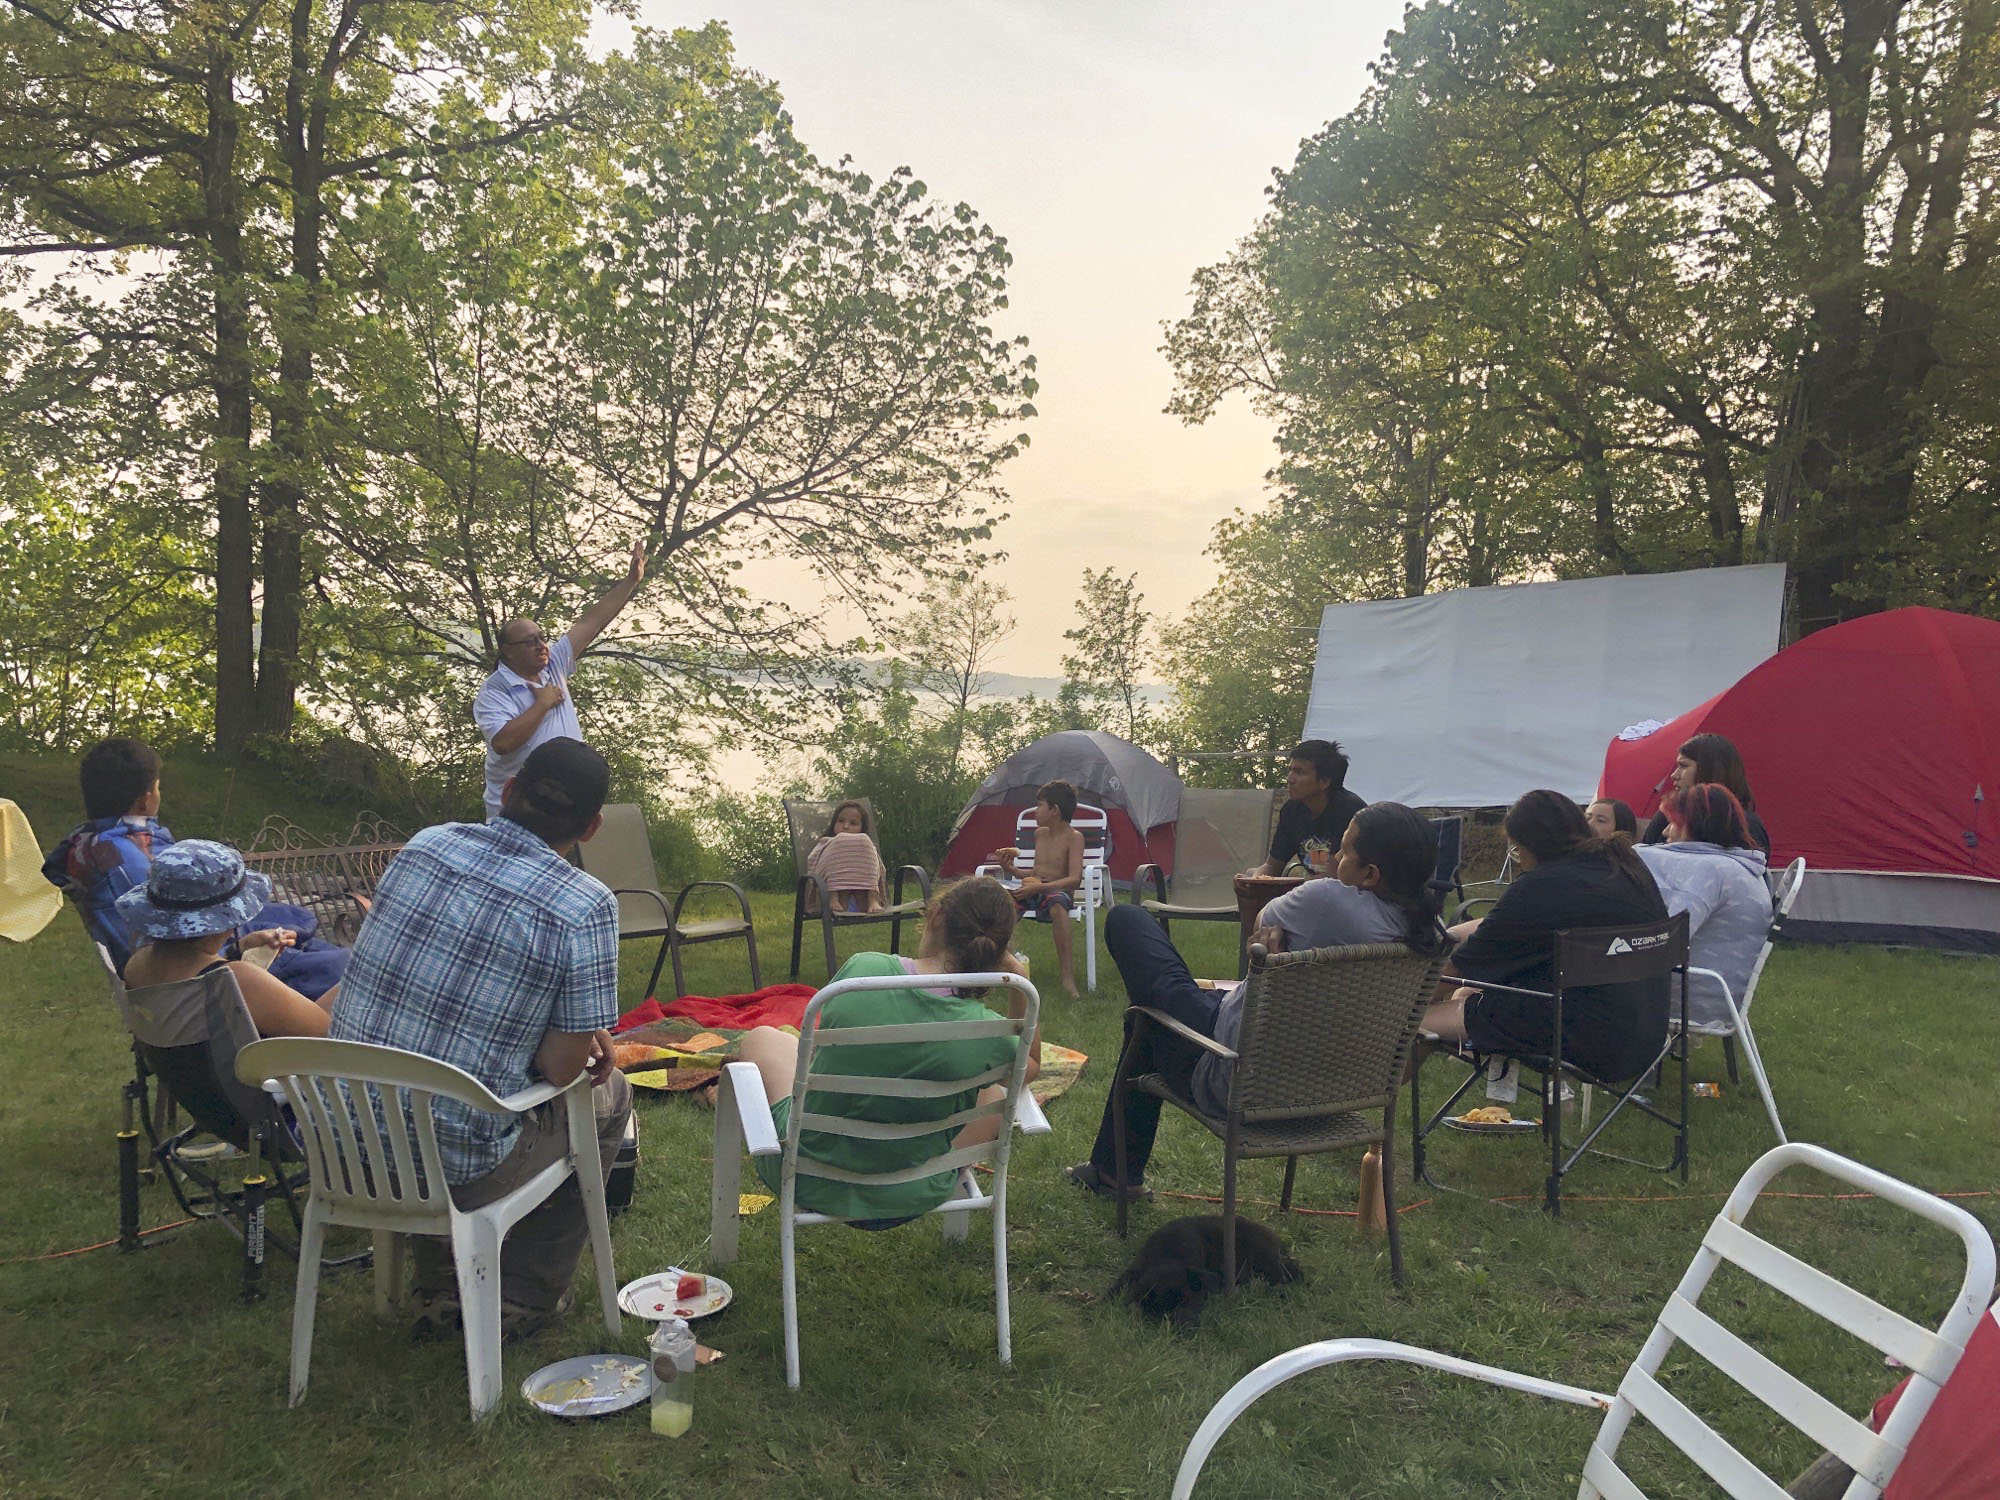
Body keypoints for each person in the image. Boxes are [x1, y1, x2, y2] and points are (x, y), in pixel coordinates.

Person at [330, 736, 632, 1341]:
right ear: (593, 827)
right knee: (610, 1096)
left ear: (511, 788)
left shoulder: (425, 846)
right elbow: (559, 1065)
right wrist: (572, 1035)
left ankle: (439, 1279)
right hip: (455, 1166)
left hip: (340, 1140)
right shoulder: (582, 902)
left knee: (438, 1087)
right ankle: (523, 1295)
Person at [1070, 803, 1451, 1201]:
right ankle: (1113, 1175)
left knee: (1128, 926)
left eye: (1343, 852)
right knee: (1154, 1015)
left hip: (1234, 1076)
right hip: (1334, 1095)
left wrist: (1263, 939)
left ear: (1370, 874)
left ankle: (1114, 1177)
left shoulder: (1328, 901)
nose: (1333, 858)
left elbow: (1259, 924)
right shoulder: (1430, 933)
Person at [734, 876, 1039, 1225]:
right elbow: (1029, 1066)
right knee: (994, 1088)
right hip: (914, 1190)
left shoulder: (863, 971)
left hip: (807, 1178)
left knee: (762, 1038)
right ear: (995, 953)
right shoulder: (986, 1033)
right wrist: (1019, 981)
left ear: (936, 915)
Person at [41, 737, 348, 996]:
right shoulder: (126, 859)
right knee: (341, 965)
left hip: (202, 961)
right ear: (146, 801)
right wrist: (236, 947)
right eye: (158, 787)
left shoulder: (91, 845)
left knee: (300, 928)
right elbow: (182, 938)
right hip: (207, 977)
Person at [1421, 790, 1670, 1083]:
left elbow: (1452, 973)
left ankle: (1375, 1109)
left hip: (1585, 1039)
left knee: (1414, 1023)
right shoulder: (1623, 867)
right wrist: (1448, 935)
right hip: (1646, 1036)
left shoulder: (1541, 886)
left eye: (1517, 849)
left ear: (1531, 845)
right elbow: (1498, 924)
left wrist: (1401, 1004)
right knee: (1467, 995)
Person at [473, 540, 647, 822]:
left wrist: (630, 582)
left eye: (542, 637)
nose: (542, 645)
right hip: (516, 811)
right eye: (530, 642)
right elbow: (503, 743)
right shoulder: (495, 691)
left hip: (561, 805)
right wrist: (542, 704)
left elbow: (590, 623)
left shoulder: (553, 663)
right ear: (508, 650)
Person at [115, 840, 338, 1038]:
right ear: (225, 921)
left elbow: (193, 969)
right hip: (259, 1082)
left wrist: (237, 949)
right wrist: (361, 970)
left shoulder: (138, 964)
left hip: (188, 1081)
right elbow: (328, 1031)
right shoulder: (237, 981)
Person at [1635, 784, 1772, 1036]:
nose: (1665, 832)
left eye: (1673, 822)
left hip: (1688, 997)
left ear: (1696, 825)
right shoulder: (1739, 868)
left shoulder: (1708, 872)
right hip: (1719, 994)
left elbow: (1665, 941)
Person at [991, 780, 1085, 998]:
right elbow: (1035, 873)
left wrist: (1040, 888)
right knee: (1001, 904)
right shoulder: (1040, 834)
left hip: (1057, 891)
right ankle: (1004, 966)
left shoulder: (1074, 837)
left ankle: (1067, 978)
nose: (1035, 811)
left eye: (1040, 805)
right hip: (1034, 888)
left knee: (1058, 906)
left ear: (1054, 810)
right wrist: (1012, 870)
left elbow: (1074, 879)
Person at [1245, 739, 1367, 877]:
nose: (1290, 779)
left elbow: (1333, 876)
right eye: (1290, 770)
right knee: (1250, 875)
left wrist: (1294, 893)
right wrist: (1256, 881)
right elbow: (1272, 865)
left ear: (1324, 782)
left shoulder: (1350, 812)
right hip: (1315, 885)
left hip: (1350, 889)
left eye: (1299, 772)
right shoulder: (1291, 811)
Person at [1640, 732, 1770, 853]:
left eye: (1684, 766)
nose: (1674, 775)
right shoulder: (1667, 816)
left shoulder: (1747, 827)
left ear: (1710, 769)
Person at [804, 800, 886, 914]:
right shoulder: (827, 842)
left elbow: (877, 865)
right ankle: (832, 898)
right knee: (839, 841)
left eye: (853, 823)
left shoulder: (865, 844)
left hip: (862, 900)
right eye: (841, 821)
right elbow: (814, 860)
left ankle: (873, 899)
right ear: (834, 823)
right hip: (838, 899)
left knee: (865, 841)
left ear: (862, 828)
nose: (846, 826)